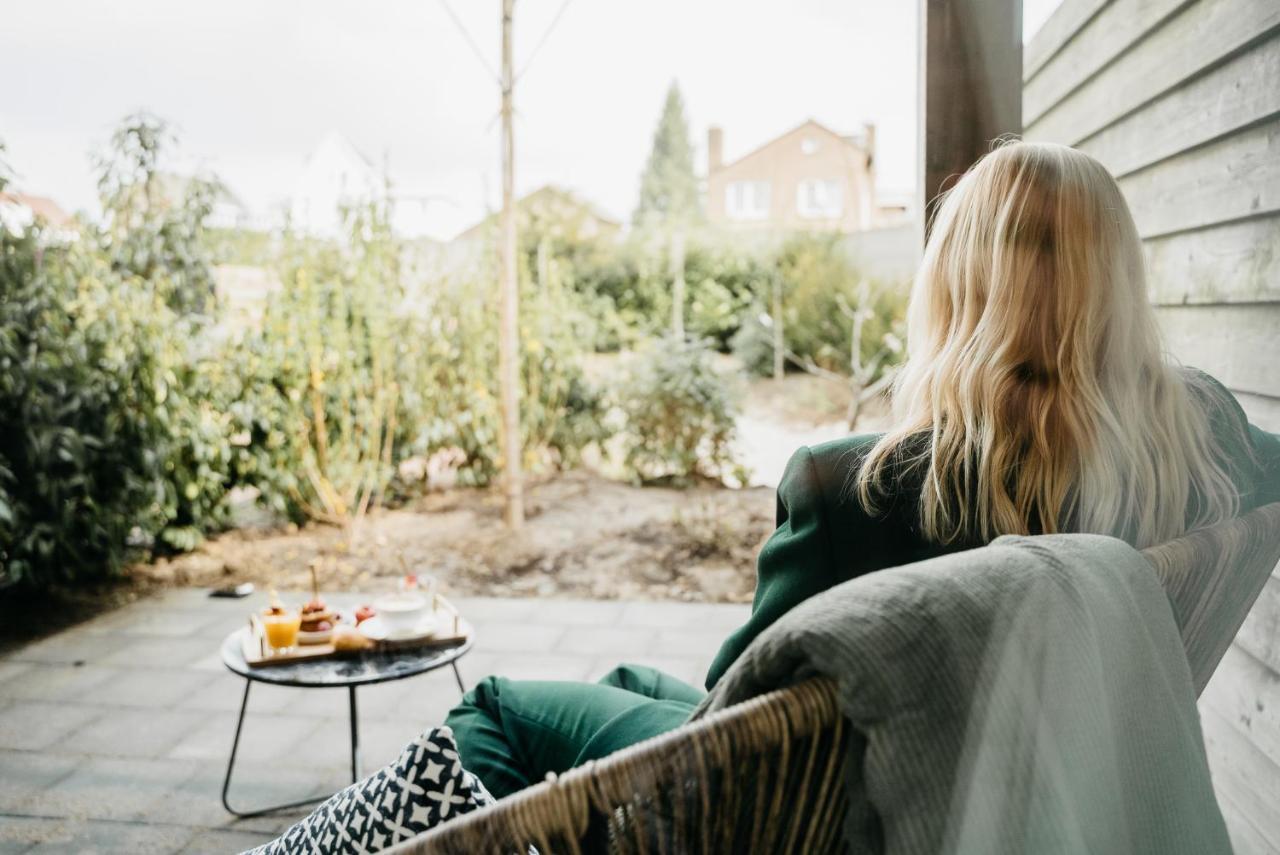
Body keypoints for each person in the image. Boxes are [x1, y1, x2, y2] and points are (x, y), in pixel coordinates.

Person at [445, 140, 1280, 800]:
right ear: (1118, 285)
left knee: (494, 711)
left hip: (840, 811)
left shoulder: (852, 491)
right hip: (1053, 784)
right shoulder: (1213, 442)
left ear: (957, 284)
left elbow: (726, 734)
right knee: (625, 680)